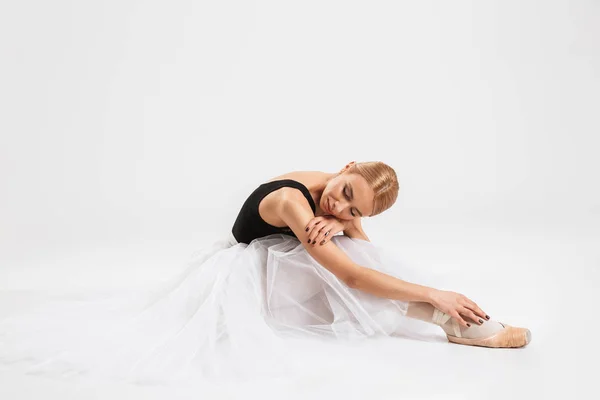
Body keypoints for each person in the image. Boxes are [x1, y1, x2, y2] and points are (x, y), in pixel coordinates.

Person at [0, 160, 531, 385]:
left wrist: (349, 224)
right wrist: (435, 292)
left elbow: (364, 251)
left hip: (279, 268)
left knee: (356, 260)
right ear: (344, 164)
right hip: (240, 280)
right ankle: (449, 319)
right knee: (352, 272)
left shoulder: (334, 205)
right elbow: (351, 276)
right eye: (345, 192)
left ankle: (452, 323)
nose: (340, 206)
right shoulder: (293, 201)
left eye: (355, 208)